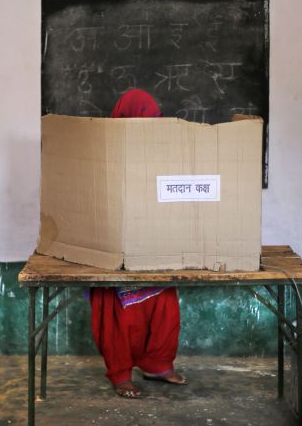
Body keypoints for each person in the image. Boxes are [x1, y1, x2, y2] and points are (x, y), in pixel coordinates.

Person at [90, 88, 188, 398]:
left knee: (164, 307)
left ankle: (157, 364)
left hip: (152, 244)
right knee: (116, 314)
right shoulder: (99, 149)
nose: (150, 126)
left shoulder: (162, 149)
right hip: (111, 246)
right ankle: (120, 373)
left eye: (153, 119)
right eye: (143, 119)